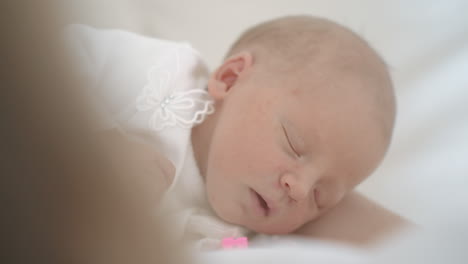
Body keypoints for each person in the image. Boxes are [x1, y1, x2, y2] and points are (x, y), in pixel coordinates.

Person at [67, 15, 406, 250]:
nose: (300, 190)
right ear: (230, 79)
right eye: (293, 144)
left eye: (321, 197)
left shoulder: (239, 239)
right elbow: (40, 69)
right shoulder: (159, 76)